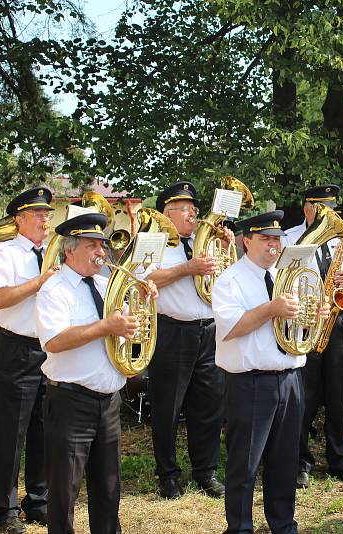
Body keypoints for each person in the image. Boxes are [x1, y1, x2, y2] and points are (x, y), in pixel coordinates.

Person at [35, 212, 156, 533]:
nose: (101, 252)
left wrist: (143, 301)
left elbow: (130, 329)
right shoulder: (54, 289)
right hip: (70, 402)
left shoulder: (107, 285)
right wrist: (105, 326)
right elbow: (55, 341)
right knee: (64, 493)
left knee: (108, 487)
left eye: (102, 245)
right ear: (69, 250)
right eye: (92, 246)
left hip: (109, 402)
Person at [212, 210, 320, 534]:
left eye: (277, 239)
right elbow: (230, 328)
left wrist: (315, 313)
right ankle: (240, 528)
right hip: (251, 382)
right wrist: (271, 308)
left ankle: (284, 525)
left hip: (289, 379)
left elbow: (300, 328)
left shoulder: (290, 275)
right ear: (247, 241)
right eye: (266, 239)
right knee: (244, 465)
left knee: (285, 462)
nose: (273, 246)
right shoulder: (229, 280)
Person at [142, 181, 227, 499]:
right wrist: (187, 268)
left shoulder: (205, 241)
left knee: (209, 405)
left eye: (194, 208)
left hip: (209, 330)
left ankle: (206, 471)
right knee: (167, 406)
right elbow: (143, 278)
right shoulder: (154, 241)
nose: (194, 214)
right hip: (173, 331)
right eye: (186, 209)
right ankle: (167, 474)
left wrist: (227, 245)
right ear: (168, 213)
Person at [281, 184, 343, 488]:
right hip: (306, 322)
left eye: (331, 207)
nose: (328, 213)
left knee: (338, 394)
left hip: (339, 320)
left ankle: (339, 460)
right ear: (307, 207)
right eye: (321, 207)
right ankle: (300, 461)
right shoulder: (289, 237)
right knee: (304, 394)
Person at [0, 186, 56, 534]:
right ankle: (4, 507)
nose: (46, 219)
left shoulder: (55, 252)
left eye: (47, 214)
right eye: (39, 214)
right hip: (17, 348)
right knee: (11, 431)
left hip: (51, 348)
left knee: (45, 428)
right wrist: (39, 282)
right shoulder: (7, 254)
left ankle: (38, 501)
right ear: (20, 219)